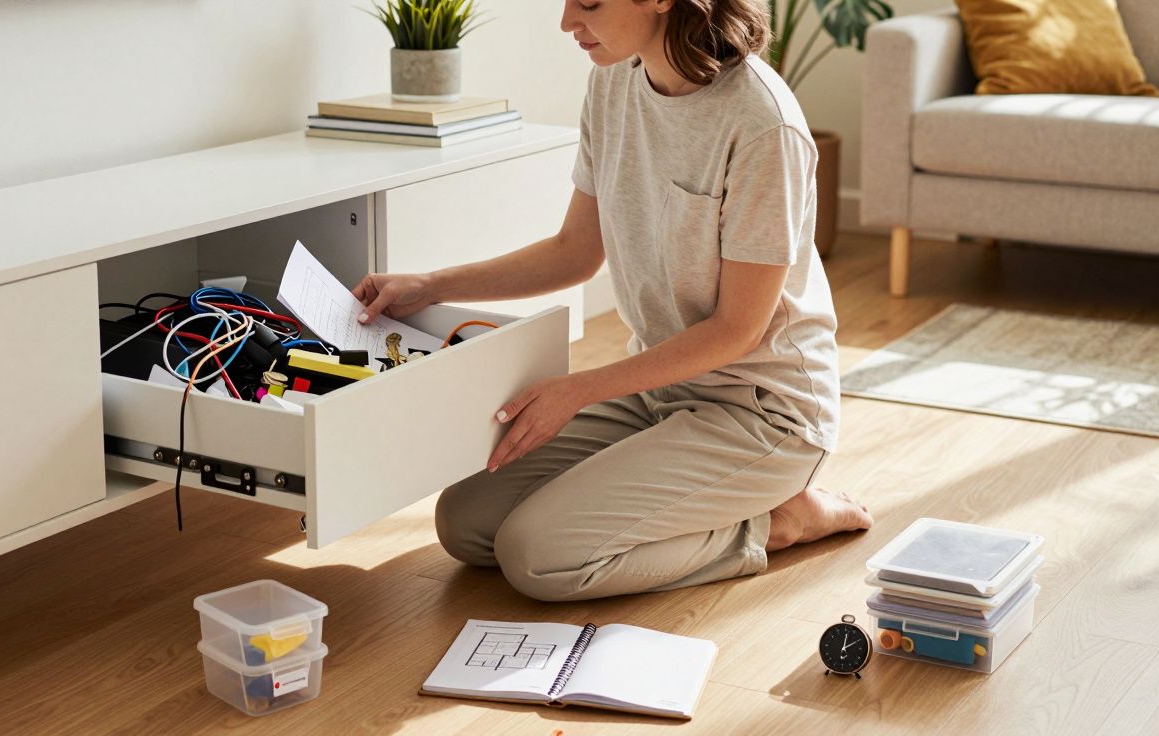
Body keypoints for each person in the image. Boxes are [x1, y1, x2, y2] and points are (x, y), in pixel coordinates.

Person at [350, 0, 872, 602]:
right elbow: (574, 252)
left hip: (762, 413)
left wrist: (579, 389)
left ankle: (777, 522)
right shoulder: (612, 82)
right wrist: (431, 285)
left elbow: (737, 330)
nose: (567, 22)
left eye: (590, 3)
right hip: (659, 389)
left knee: (537, 558)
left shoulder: (763, 124)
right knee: (465, 523)